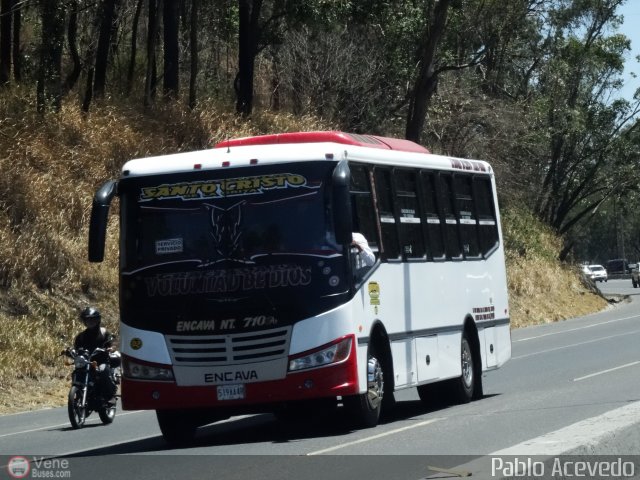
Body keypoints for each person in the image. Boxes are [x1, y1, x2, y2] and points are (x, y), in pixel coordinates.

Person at [74, 307, 119, 401]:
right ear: (84, 321)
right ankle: (79, 394)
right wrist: (70, 351)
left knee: (103, 371)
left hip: (101, 360)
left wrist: (111, 348)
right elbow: (76, 348)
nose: (90, 322)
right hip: (86, 362)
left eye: (92, 319)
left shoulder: (103, 332)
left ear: (97, 320)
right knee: (76, 373)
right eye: (87, 320)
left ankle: (110, 395)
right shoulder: (81, 336)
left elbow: (113, 341)